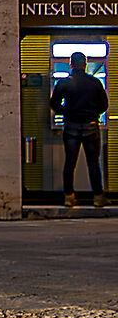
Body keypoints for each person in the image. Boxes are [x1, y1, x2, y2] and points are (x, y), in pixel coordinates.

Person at [52, 52, 109, 210]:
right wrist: (93, 113)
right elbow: (104, 105)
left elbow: (54, 103)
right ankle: (98, 197)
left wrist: (67, 112)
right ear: (85, 64)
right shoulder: (95, 82)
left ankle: (69, 197)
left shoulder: (64, 83)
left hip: (71, 126)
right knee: (93, 163)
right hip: (91, 125)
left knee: (70, 163)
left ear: (71, 65)